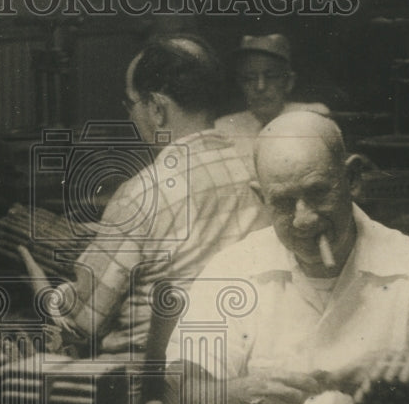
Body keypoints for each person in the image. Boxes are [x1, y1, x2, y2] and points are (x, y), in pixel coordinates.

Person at [164, 110, 409, 404]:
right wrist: (241, 394)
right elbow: (178, 394)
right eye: (284, 203)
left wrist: (399, 380)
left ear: (352, 179)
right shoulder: (231, 270)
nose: (304, 220)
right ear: (262, 199)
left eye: (317, 193)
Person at [20, 35, 268, 368]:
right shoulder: (256, 171)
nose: (130, 117)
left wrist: (42, 289)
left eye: (131, 104)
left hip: (145, 382)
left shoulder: (142, 194)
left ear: (156, 109)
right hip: (233, 365)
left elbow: (81, 323)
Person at [214, 33, 329, 158]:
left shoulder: (311, 117)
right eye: (250, 78)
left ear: (289, 82)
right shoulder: (224, 128)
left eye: (271, 77)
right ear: (241, 84)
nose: (260, 87)